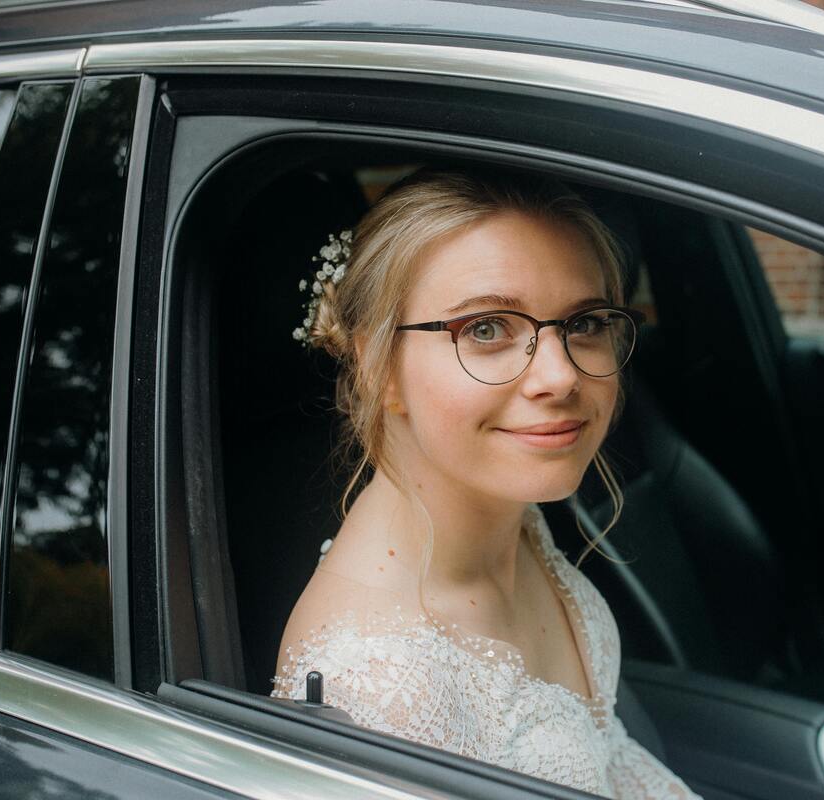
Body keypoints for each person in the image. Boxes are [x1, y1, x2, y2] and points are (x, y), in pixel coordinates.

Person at [272, 166, 702, 799]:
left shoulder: (510, 514)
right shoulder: (381, 689)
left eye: (584, 323)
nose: (560, 376)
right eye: (486, 328)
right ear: (375, 366)